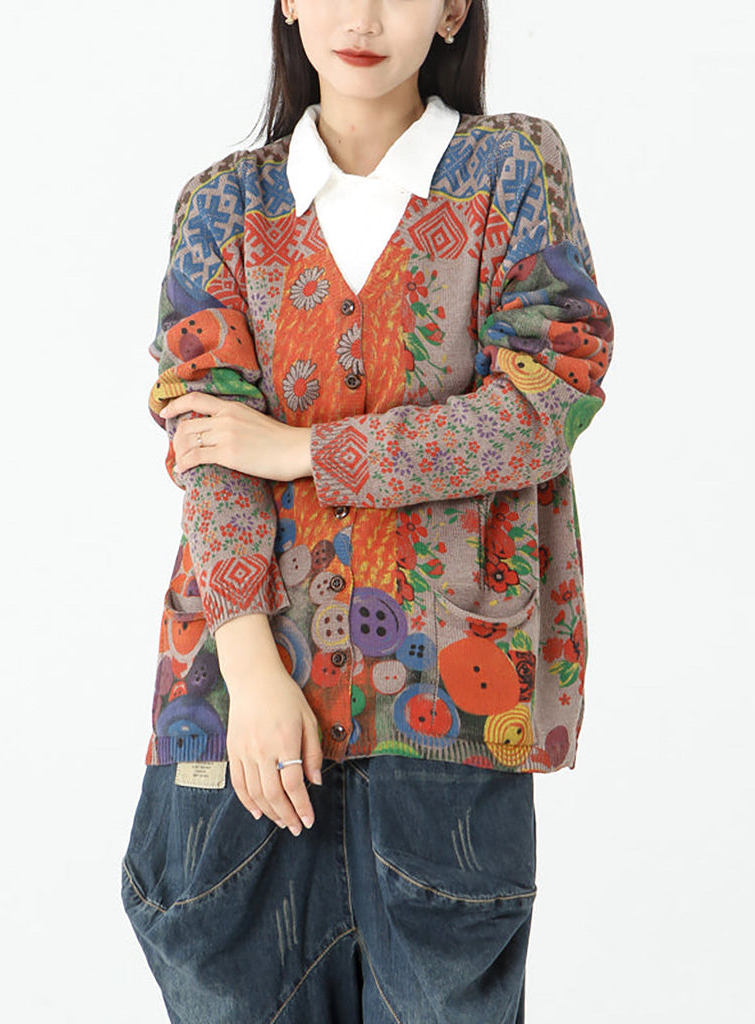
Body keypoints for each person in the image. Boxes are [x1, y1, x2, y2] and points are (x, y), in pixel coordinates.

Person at [120, 1, 614, 1021]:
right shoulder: (224, 206)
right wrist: (253, 671)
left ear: (452, 8)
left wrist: (304, 449)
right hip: (236, 716)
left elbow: (542, 405)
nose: (362, 14)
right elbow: (210, 450)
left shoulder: (509, 171)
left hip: (445, 709)